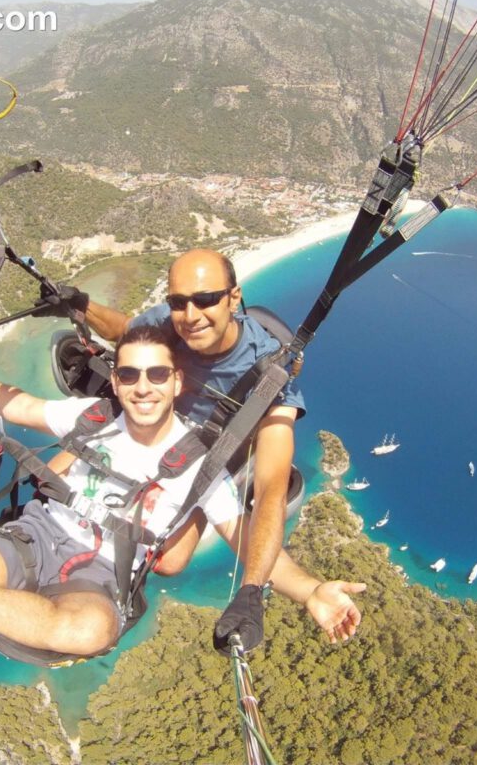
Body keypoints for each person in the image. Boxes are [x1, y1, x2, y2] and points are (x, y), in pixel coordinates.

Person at [0, 326, 364, 708]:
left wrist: (309, 590)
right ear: (117, 384)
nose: (143, 387)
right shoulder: (91, 419)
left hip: (105, 571)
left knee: (87, 634)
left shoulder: (201, 464)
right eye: (129, 374)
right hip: (39, 533)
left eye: (157, 374)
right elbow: (20, 405)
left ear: (175, 381)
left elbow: (246, 537)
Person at [41, 248, 304, 654]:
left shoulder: (269, 377)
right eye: (179, 302)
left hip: (202, 453)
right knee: (49, 482)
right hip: (150, 419)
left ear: (234, 298)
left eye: (205, 299)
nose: (191, 314)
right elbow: (126, 331)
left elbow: (270, 487)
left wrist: (252, 588)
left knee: (170, 560)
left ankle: (97, 596)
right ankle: (49, 571)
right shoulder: (169, 325)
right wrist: (81, 306)